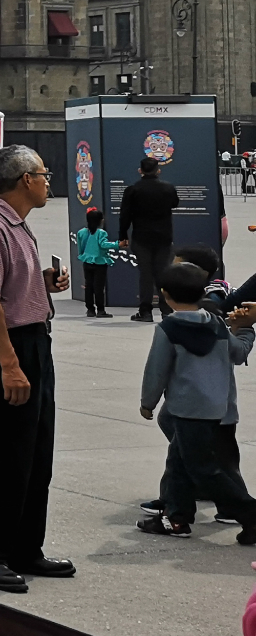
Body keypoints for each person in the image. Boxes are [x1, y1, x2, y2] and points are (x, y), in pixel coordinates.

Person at [0, 144, 72, 594]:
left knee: (34, 456)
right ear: (26, 180)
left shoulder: (17, 225)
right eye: (44, 174)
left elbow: (5, 288)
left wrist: (40, 284)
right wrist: (9, 365)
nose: (47, 182)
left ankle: (25, 548)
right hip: (5, 349)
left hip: (32, 344)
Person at [137, 260, 256, 542]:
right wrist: (246, 328)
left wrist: (148, 402)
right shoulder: (217, 324)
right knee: (178, 461)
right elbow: (239, 353)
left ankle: (250, 513)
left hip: (186, 408)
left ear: (165, 294)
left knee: (203, 470)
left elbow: (156, 370)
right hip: (217, 409)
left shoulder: (168, 328)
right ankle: (176, 518)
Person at [119, 157, 180, 323]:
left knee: (145, 275)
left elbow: (125, 215)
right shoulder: (168, 188)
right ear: (158, 170)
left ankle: (145, 311)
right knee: (163, 273)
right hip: (164, 237)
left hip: (141, 237)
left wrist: (123, 235)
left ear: (140, 171)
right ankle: (166, 310)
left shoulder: (132, 190)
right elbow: (175, 203)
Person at [75, 208, 116, 319]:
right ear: (100, 221)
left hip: (87, 262)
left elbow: (80, 248)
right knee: (99, 287)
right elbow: (104, 245)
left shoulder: (81, 232)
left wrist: (83, 256)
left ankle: (90, 309)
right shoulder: (101, 233)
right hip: (100, 263)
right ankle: (101, 310)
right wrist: (117, 244)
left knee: (89, 286)